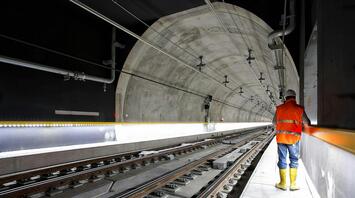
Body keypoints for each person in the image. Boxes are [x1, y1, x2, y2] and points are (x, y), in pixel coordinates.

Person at [273, 89, 310, 191]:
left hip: (281, 138)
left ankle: (283, 183)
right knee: (294, 159)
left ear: (285, 98)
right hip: (293, 139)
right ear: (294, 97)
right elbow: (307, 122)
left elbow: (274, 123)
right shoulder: (299, 109)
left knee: (282, 159)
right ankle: (293, 184)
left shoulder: (279, 108)